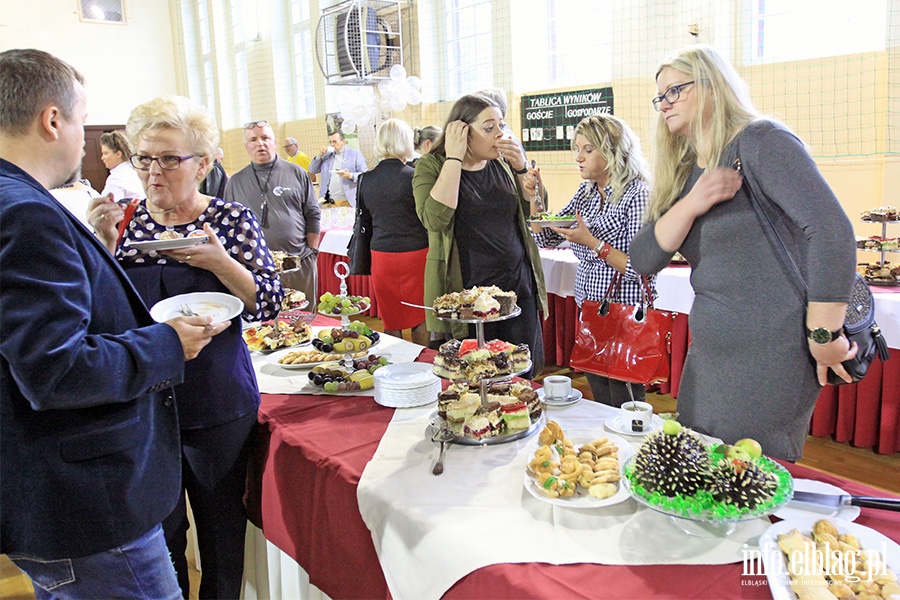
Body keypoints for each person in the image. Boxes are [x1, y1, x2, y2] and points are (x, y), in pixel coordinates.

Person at [1, 48, 225, 599]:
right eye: (81, 121)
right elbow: (56, 370)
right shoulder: (26, 212)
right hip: (85, 502)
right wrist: (167, 343)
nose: (84, 140)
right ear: (53, 120)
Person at [87, 96, 283, 599]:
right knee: (159, 533)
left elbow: (267, 306)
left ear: (204, 163)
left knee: (220, 534)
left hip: (217, 401)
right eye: (144, 158)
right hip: (143, 403)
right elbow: (98, 316)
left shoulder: (231, 220)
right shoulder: (124, 222)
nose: (154, 171)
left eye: (169, 158)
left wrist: (220, 262)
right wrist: (103, 248)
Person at [630, 44, 858, 461]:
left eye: (675, 91)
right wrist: (693, 201)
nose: (664, 104)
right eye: (659, 96)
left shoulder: (760, 141)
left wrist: (825, 335)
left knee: (747, 477)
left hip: (769, 353)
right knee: (702, 474)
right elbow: (643, 259)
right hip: (711, 355)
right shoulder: (685, 171)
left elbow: (831, 232)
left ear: (714, 87)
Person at [412, 93, 547, 376]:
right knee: (478, 371)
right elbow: (434, 219)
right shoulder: (431, 166)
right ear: (460, 131)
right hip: (468, 292)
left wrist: (522, 167)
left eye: (501, 125)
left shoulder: (503, 163)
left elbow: (535, 212)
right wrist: (454, 157)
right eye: (489, 128)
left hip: (516, 286)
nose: (500, 134)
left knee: (521, 369)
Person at [530, 114, 653, 407]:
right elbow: (546, 238)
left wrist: (592, 243)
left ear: (612, 152)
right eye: (577, 148)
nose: (578, 157)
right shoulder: (585, 193)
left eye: (588, 149)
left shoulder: (638, 194)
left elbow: (641, 266)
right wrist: (535, 198)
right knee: (599, 391)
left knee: (624, 397)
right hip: (591, 309)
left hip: (625, 311)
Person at [225, 120, 321, 309]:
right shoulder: (235, 182)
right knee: (264, 328)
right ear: (246, 147)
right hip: (255, 268)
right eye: (253, 140)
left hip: (298, 262)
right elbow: (229, 226)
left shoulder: (297, 173)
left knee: (303, 319)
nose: (260, 143)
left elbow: (313, 213)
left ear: (274, 142)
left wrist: (312, 251)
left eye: (265, 138)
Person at [357, 118, 429, 346]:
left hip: (382, 254)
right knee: (420, 316)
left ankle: (397, 367)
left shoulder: (365, 179)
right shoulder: (415, 176)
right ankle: (423, 366)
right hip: (417, 253)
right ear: (407, 141)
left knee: (391, 318)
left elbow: (364, 220)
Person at [308, 130, 368, 207]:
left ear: (343, 141)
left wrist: (350, 175)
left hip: (348, 200)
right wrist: (319, 156)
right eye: (330, 142)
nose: (332, 144)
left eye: (334, 142)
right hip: (329, 201)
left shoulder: (355, 154)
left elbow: (365, 174)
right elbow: (312, 170)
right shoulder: (326, 156)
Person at [99, 129, 144, 200]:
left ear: (118, 154)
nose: (102, 158)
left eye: (105, 153)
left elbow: (109, 207)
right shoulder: (135, 170)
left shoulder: (116, 178)